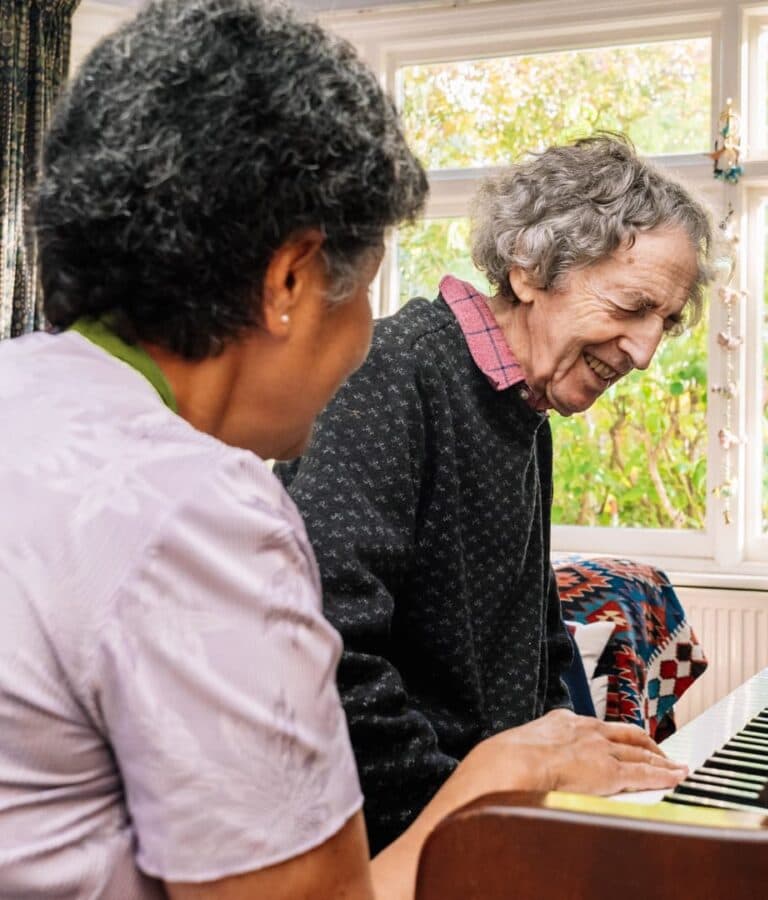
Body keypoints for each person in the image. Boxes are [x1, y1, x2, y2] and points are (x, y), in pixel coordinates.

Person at [0, 2, 687, 898]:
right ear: (289, 281)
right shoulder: (201, 512)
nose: (368, 331)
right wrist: (494, 780)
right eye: (361, 289)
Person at [279, 133, 714, 853]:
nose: (644, 353)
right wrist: (471, 822)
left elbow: (535, 642)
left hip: (494, 817)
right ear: (530, 268)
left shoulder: (527, 415)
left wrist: (573, 766)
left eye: (663, 322)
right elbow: (326, 655)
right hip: (410, 841)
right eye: (633, 306)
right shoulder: (391, 376)